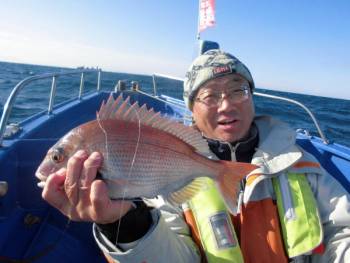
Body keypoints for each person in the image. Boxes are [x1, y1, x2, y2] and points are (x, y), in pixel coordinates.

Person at [41, 49, 350, 263]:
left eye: (237, 90)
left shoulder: (302, 165)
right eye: (210, 96)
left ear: (252, 98)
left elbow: (342, 233)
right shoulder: (161, 186)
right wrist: (124, 223)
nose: (226, 105)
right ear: (191, 108)